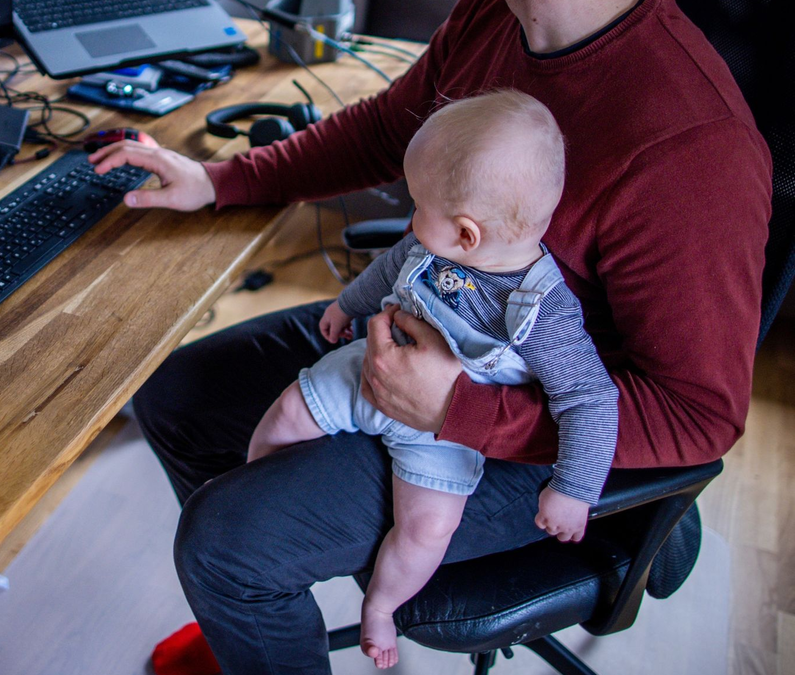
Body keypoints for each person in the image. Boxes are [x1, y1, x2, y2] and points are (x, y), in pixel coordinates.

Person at [88, 0, 772, 672]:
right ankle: (256, 616)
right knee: (176, 393)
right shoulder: (492, 16)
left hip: (543, 419)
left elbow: (699, 415)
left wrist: (460, 411)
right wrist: (221, 179)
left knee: (226, 543)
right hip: (426, 316)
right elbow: (388, 131)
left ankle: (249, 582)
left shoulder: (694, 147)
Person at [246, 90, 618, 668]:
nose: (411, 215)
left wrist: (574, 488)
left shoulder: (544, 313)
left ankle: (380, 607)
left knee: (426, 531)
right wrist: (347, 305)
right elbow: (387, 269)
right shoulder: (429, 247)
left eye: (418, 203)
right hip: (371, 368)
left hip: (444, 435)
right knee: (288, 412)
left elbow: (589, 399)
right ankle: (253, 490)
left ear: (468, 235)